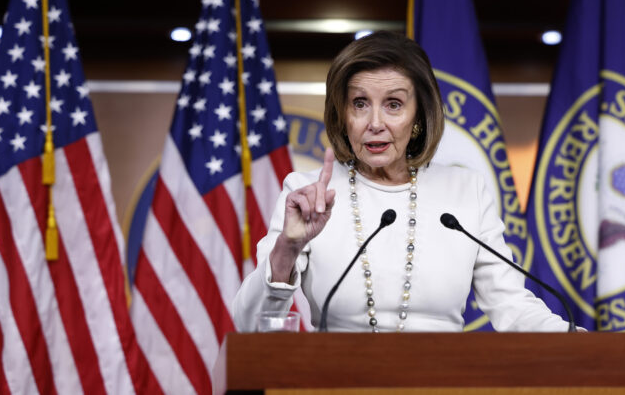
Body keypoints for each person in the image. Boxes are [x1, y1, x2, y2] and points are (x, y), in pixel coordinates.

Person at [232, 31, 572, 332]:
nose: (375, 123)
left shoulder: (465, 192)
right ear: (343, 114)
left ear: (419, 116)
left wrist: (578, 341)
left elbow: (512, 306)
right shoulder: (309, 195)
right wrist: (287, 249)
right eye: (360, 103)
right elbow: (249, 325)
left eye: (393, 104)